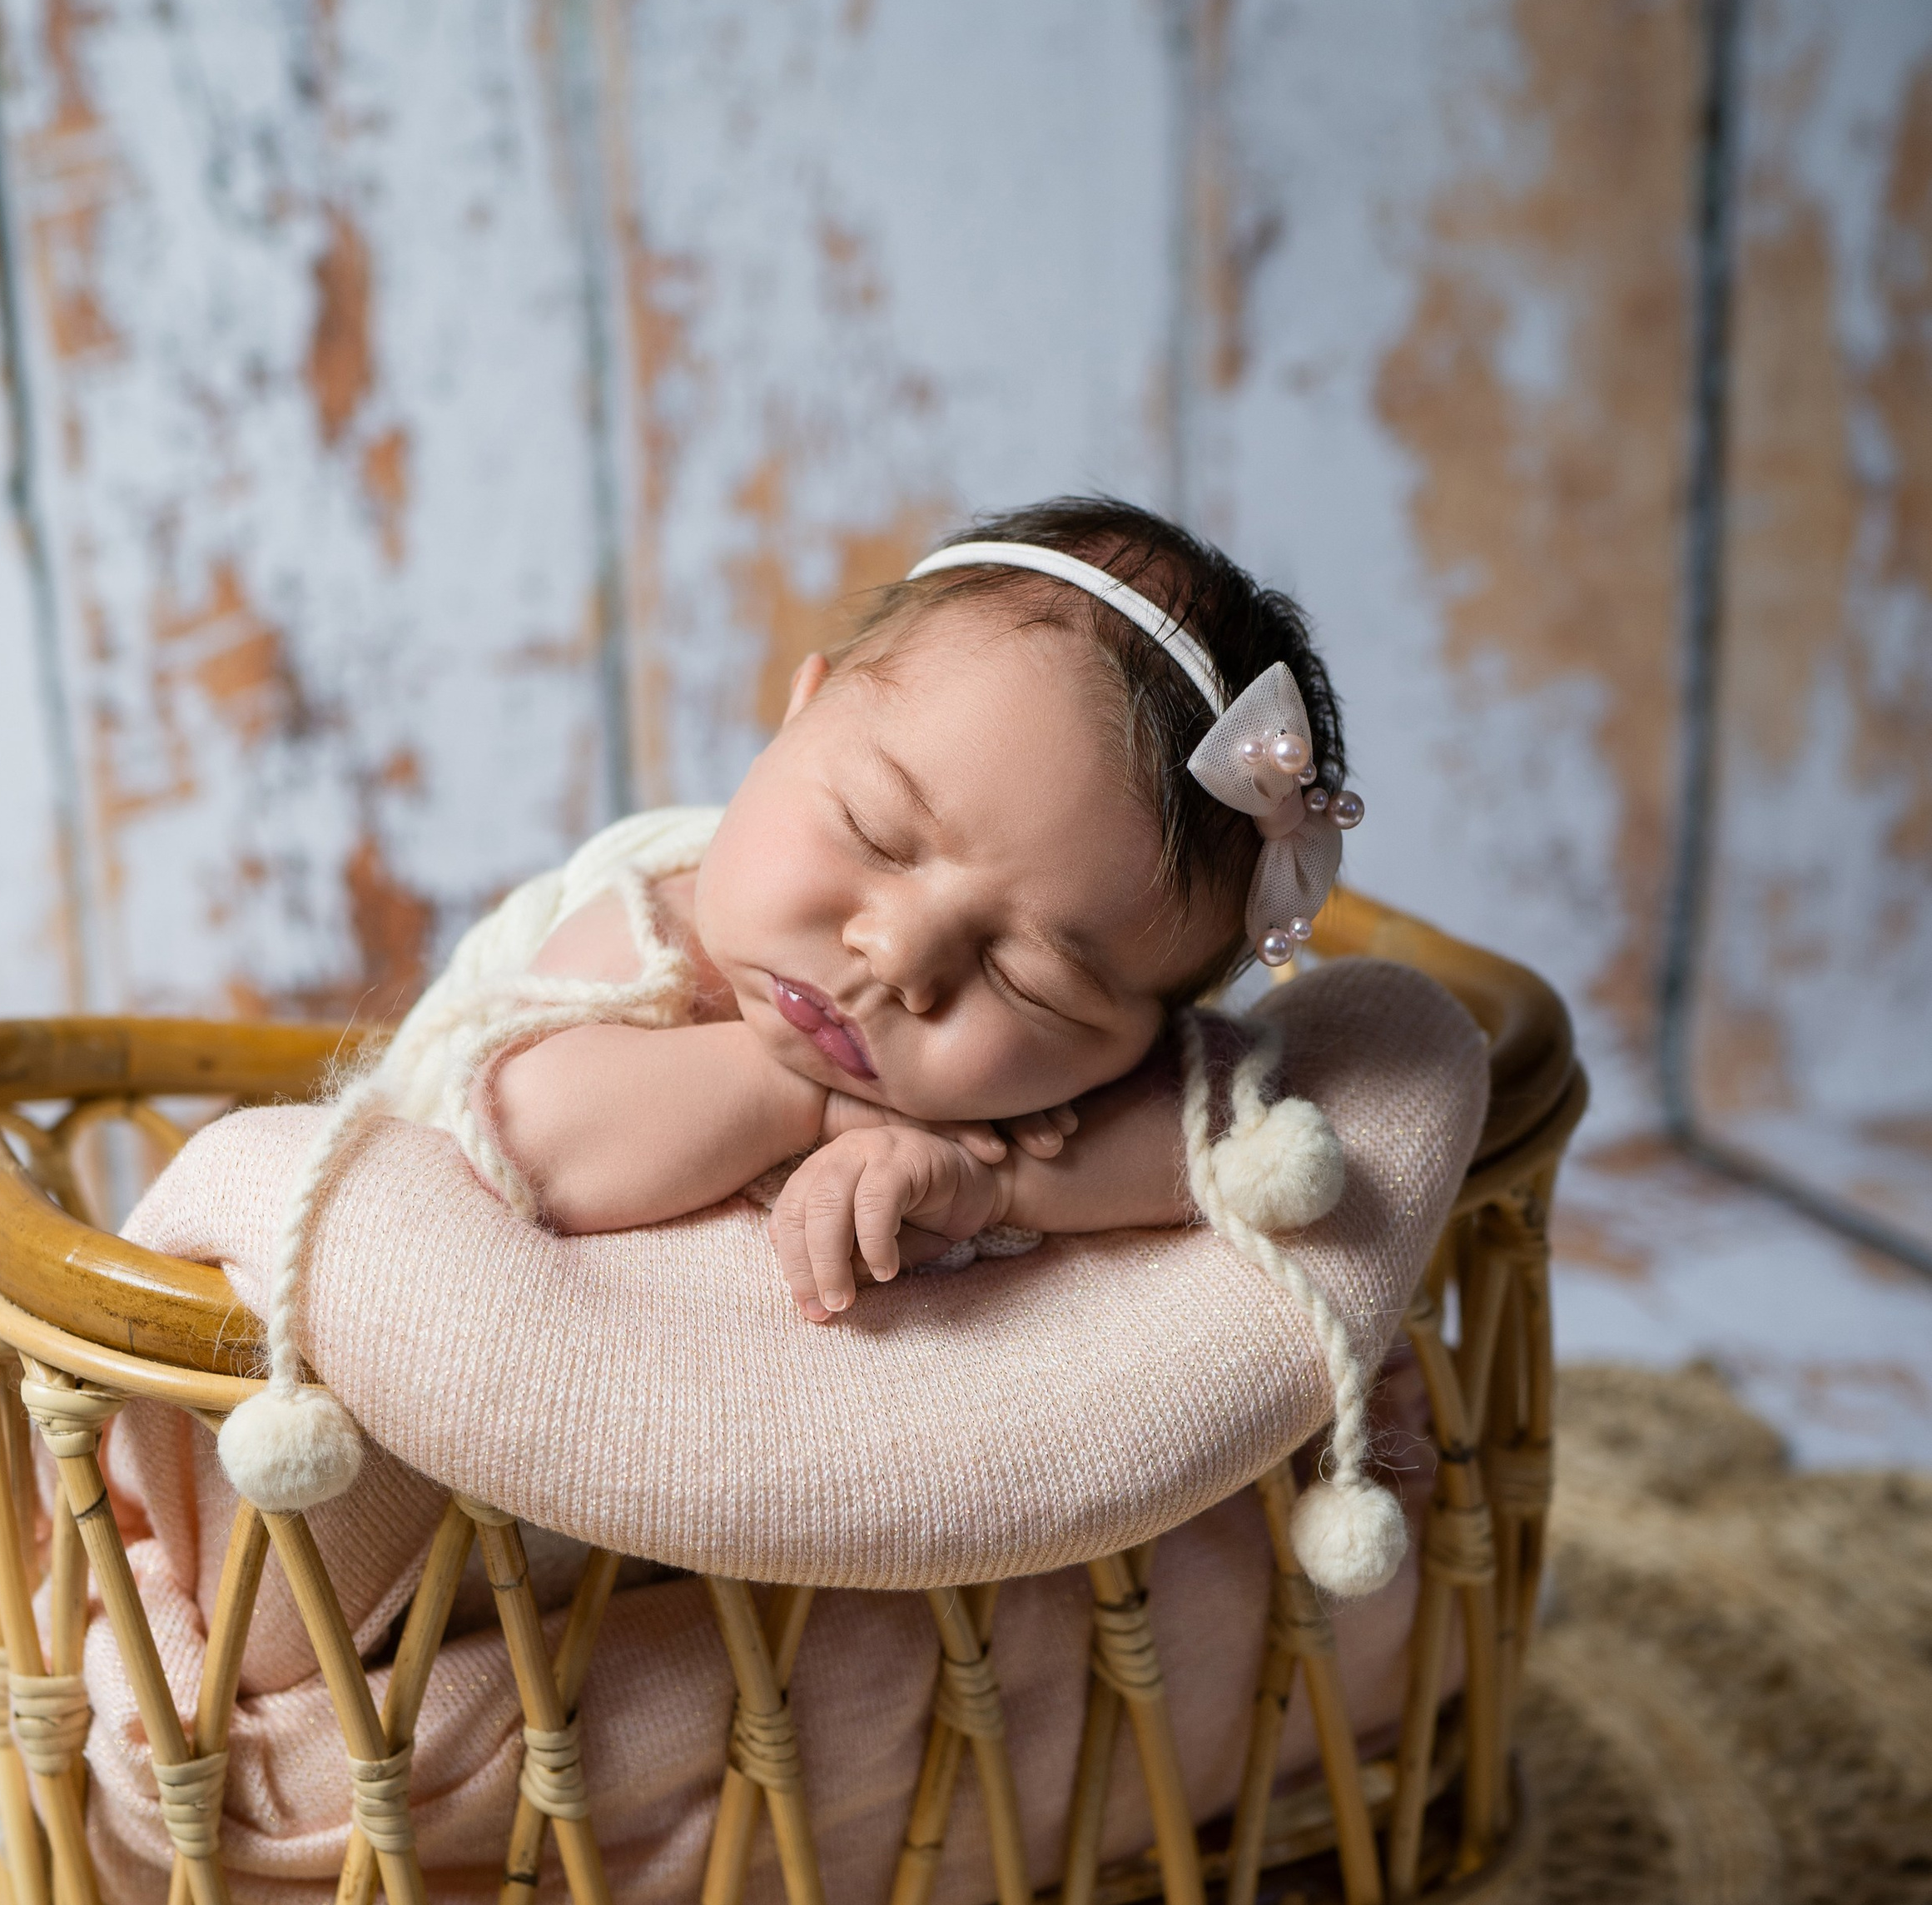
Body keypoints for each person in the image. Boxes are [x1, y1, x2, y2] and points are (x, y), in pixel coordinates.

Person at [218, 494, 1400, 1596]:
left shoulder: (1084, 1090)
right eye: (874, 833)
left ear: (1131, 1036)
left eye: (1026, 978)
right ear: (799, 715)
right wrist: (828, 1111)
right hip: (469, 1519)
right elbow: (540, 1146)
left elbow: (1212, 1159)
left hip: (810, 1576)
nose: (897, 955)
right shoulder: (651, 920)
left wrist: (985, 1179)